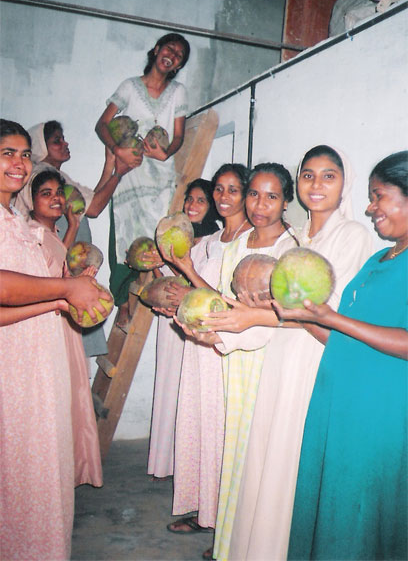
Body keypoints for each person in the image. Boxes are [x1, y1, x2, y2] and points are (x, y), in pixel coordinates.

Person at [190, 147, 373, 560]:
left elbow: (327, 315)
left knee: (291, 468)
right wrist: (222, 330)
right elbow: (268, 312)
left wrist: (250, 318)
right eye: (309, 175)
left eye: (329, 176)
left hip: (314, 364)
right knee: (265, 465)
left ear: (345, 183)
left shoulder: (352, 237)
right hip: (277, 359)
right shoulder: (298, 239)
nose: (317, 185)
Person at [282, 151, 408, 560]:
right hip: (340, 410)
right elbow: (343, 338)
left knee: (362, 520)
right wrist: (301, 315)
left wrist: (333, 317)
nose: (370, 208)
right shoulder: (377, 260)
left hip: (380, 415)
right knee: (336, 514)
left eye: (379, 196)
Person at [0, 119, 109, 560]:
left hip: (35, 365)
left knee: (38, 468)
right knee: (20, 469)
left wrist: (60, 302)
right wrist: (63, 290)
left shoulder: (14, 218)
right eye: (8, 153)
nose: (20, 163)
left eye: (26, 154)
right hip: (12, 369)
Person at [163, 164, 250, 542]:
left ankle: (225, 525)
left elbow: (227, 303)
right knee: (200, 428)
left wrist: (189, 280)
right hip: (198, 348)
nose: (223, 197)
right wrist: (175, 299)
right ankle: (206, 511)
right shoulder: (210, 240)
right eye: (219, 189)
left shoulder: (249, 241)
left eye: (233, 189)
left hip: (225, 349)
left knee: (222, 433)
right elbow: (193, 294)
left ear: (246, 194)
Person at [14, 120, 134, 356]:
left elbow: (91, 199)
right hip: (61, 272)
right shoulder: (43, 175)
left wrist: (110, 165)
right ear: (41, 146)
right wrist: (119, 173)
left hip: (67, 268)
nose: (65, 143)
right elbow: (95, 207)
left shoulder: (55, 177)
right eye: (56, 140)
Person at [95, 32, 190, 327]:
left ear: (178, 65)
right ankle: (122, 302)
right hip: (130, 172)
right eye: (169, 49)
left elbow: (178, 136)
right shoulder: (129, 86)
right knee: (124, 236)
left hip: (160, 176)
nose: (172, 56)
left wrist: (165, 153)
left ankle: (154, 285)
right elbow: (102, 124)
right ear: (157, 49)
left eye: (179, 56)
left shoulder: (178, 92)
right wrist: (118, 151)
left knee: (156, 232)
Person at [28, 169, 103, 488]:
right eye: (46, 193)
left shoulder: (53, 233)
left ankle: (66, 474)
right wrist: (70, 286)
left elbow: (58, 272)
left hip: (63, 327)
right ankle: (48, 479)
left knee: (70, 397)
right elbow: (41, 287)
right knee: (52, 403)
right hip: (47, 328)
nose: (56, 198)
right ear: (31, 200)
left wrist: (72, 227)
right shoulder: (30, 235)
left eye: (59, 192)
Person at [148, 178, 219, 480]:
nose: (192, 205)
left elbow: (207, 289)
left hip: (196, 328)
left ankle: (188, 467)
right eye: (189, 199)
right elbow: (166, 285)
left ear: (211, 206)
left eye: (200, 200)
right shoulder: (177, 238)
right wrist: (154, 264)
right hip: (171, 327)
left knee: (190, 395)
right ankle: (166, 464)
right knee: (169, 389)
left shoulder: (215, 241)